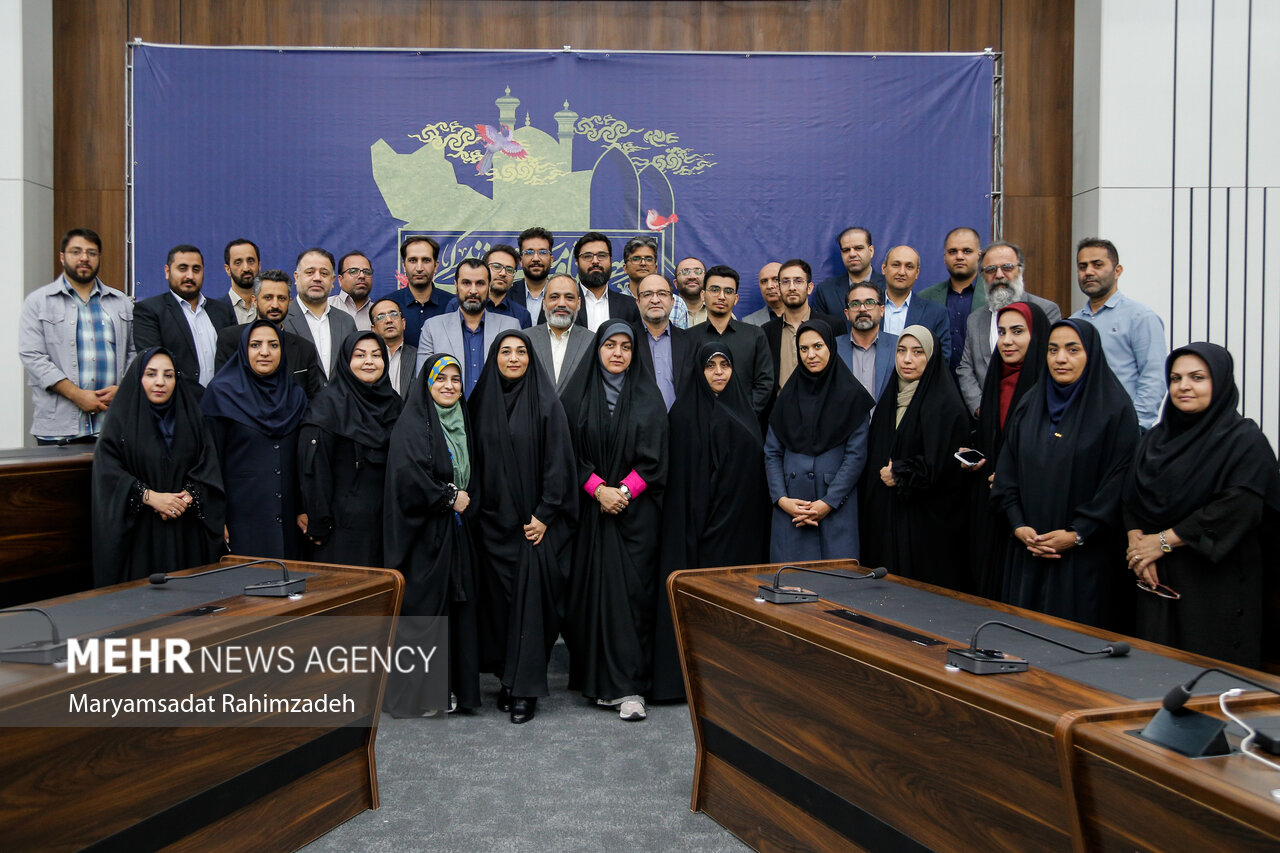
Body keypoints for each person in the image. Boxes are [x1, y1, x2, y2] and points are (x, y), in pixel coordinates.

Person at [1122, 343, 1280, 668]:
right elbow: (1131, 495)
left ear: (1219, 382)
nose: (1184, 386)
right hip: (1155, 578)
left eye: (1197, 377)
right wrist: (1138, 544)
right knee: (1152, 674)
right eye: (1176, 378)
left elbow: (1238, 507)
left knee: (1208, 679)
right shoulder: (1155, 439)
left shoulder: (1244, 440)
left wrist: (1161, 542)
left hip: (1214, 582)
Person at [992, 320, 1139, 629]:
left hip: (1084, 559)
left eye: (1073, 350)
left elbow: (1118, 483)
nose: (1061, 359)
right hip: (1028, 551)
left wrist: (1078, 533)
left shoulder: (1115, 410)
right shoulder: (1030, 404)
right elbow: (1007, 471)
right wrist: (1018, 524)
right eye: (1053, 350)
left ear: (1092, 355)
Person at [561, 321, 669, 722]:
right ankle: (596, 681)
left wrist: (621, 492)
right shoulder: (577, 396)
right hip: (590, 516)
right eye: (610, 345)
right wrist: (597, 489)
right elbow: (565, 453)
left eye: (626, 346)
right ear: (598, 350)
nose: (618, 353)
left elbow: (656, 459)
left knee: (631, 601)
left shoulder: (648, 397)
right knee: (590, 598)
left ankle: (630, 689)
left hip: (635, 518)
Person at [652, 342, 772, 700]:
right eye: (710, 366)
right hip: (699, 533)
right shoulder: (684, 415)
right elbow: (684, 482)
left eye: (725, 365)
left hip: (741, 531)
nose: (719, 372)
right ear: (698, 371)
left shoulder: (744, 410)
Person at [469, 332, 577, 723]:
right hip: (490, 525)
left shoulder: (546, 402)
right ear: (494, 357)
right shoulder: (480, 401)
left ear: (531, 358)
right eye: (504, 351)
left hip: (534, 527)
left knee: (531, 608)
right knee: (498, 609)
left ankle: (525, 691)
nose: (513, 358)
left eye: (520, 352)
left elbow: (559, 461)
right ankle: (507, 680)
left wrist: (546, 513)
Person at [384, 354, 482, 716]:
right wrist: (449, 497)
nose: (449, 386)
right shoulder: (412, 424)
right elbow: (408, 478)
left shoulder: (462, 420)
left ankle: (452, 690)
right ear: (426, 384)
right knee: (423, 614)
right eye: (441, 379)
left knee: (455, 612)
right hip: (421, 536)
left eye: (456, 379)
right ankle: (417, 696)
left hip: (455, 535)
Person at [91, 347, 225, 587]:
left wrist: (185, 498)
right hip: (140, 532)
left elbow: (207, 465)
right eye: (151, 374)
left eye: (168, 375)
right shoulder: (120, 420)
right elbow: (108, 473)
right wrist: (149, 496)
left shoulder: (192, 418)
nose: (160, 382)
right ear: (138, 378)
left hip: (185, 530)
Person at [859, 325, 971, 589]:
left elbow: (945, 464)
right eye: (901, 351)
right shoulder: (890, 397)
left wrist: (901, 472)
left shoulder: (946, 404)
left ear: (931, 357)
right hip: (887, 518)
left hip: (926, 526)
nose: (907, 359)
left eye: (917, 352)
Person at [765, 320, 873, 562]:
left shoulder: (853, 397)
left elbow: (855, 457)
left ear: (831, 348)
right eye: (803, 349)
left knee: (835, 586)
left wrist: (828, 502)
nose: (811, 355)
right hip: (792, 510)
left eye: (818, 346)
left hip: (834, 510)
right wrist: (781, 499)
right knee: (792, 587)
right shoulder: (787, 397)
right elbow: (772, 453)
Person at [201, 320, 309, 560]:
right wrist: (216, 519)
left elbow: (301, 461)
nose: (264, 352)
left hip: (288, 520)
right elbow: (209, 464)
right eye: (255, 345)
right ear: (243, 349)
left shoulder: (295, 396)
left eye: (273, 345)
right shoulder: (221, 394)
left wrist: (303, 508)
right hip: (241, 520)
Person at [966, 302, 1050, 600]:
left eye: (1018, 331)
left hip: (1031, 510)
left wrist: (1010, 476)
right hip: (990, 505)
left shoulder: (1048, 386)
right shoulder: (996, 380)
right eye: (1001, 332)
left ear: (1037, 335)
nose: (1008, 341)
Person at [297, 331, 402, 566]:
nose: (369, 361)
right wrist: (319, 520)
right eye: (360, 355)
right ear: (345, 361)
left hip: (387, 522)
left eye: (376, 355)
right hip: (341, 526)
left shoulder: (394, 403)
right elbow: (315, 470)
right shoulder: (327, 405)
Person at [20, 227, 134, 444]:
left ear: (99, 257)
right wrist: (77, 395)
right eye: (76, 252)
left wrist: (123, 389)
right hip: (59, 429)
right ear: (62, 257)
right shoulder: (38, 302)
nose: (84, 258)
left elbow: (134, 352)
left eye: (91, 253)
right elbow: (32, 356)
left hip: (112, 426)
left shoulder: (121, 302)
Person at [1071, 238, 1167, 429]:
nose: (1089, 272)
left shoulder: (1139, 317)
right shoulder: (1074, 322)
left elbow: (1154, 377)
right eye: (1083, 266)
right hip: (1079, 428)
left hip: (1123, 429)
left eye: (1097, 265)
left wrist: (1136, 426)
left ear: (1117, 271)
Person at [956, 241, 1062, 414]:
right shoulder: (975, 319)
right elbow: (965, 368)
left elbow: (1050, 363)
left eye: (1007, 267)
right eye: (990, 270)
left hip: (1034, 413)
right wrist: (980, 407)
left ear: (1020, 270)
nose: (999, 275)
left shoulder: (1045, 311)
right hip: (989, 417)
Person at [134, 244, 237, 392]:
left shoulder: (222, 311)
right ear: (167, 271)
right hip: (177, 406)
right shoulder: (149, 311)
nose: (190, 276)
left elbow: (234, 360)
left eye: (196, 269)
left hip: (221, 405)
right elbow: (155, 365)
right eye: (182, 269)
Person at [416, 259, 521, 396]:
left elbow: (518, 383)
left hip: (497, 414)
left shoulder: (510, 326)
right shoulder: (433, 328)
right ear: (456, 285)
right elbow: (423, 382)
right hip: (449, 415)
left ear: (489, 287)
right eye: (466, 283)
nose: (473, 290)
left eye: (480, 283)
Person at [214, 270, 324, 399]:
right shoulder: (230, 339)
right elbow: (222, 394)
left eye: (281, 298)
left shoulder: (304, 349)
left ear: (289, 302)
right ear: (254, 301)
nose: (275, 305)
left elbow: (313, 402)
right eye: (268, 297)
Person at [688, 265, 774, 416]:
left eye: (728, 291)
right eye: (714, 290)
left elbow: (765, 382)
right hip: (699, 423)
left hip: (745, 423)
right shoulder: (688, 337)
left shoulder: (755, 335)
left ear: (736, 299)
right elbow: (684, 383)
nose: (721, 296)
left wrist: (746, 414)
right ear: (703, 295)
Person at [282, 247, 357, 380]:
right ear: (296, 277)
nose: (317, 278)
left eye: (324, 273)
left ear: (333, 280)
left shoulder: (346, 322)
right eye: (310, 272)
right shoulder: (282, 320)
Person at [918, 227, 985, 373]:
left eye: (967, 251)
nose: (959, 256)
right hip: (938, 385)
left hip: (980, 386)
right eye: (952, 251)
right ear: (944, 256)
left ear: (979, 255)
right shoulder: (925, 298)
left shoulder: (994, 297)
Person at [527, 274, 591, 395]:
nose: (561, 303)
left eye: (569, 297)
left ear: (579, 304)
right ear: (544, 303)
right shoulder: (526, 339)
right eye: (554, 297)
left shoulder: (592, 341)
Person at [387, 235, 449, 347]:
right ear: (404, 266)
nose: (419, 268)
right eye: (412, 260)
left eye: (426, 260)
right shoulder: (389, 304)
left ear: (436, 266)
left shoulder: (452, 304)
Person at [811, 226, 885, 317]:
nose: (852, 254)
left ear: (871, 251)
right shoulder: (826, 291)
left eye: (858, 248)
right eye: (846, 250)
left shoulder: (889, 287)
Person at [329, 250, 375, 331]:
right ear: (340, 280)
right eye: (353, 271)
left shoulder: (378, 313)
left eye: (366, 271)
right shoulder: (325, 307)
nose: (362, 276)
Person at [222, 238, 261, 324]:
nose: (246, 268)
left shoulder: (270, 307)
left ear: (259, 265)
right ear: (228, 269)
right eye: (238, 263)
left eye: (251, 261)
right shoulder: (216, 310)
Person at [742, 261, 782, 326]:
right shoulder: (749, 322)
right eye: (764, 281)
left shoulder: (802, 317)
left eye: (776, 279)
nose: (769, 286)